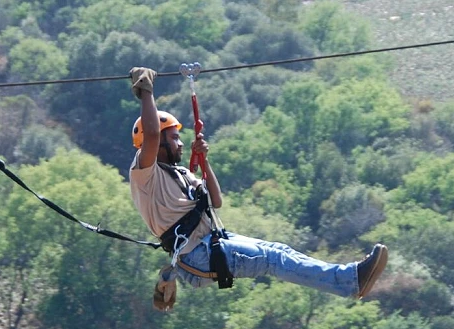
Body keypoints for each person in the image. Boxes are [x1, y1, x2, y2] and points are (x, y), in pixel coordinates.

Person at [127, 67, 388, 311]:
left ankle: (350, 279)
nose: (181, 143)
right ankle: (350, 281)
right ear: (157, 144)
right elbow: (152, 134)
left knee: (280, 251)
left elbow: (215, 201)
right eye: (174, 137)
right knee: (273, 260)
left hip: (209, 243)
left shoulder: (181, 174)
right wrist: (146, 90)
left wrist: (204, 162)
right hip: (197, 255)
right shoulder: (145, 174)